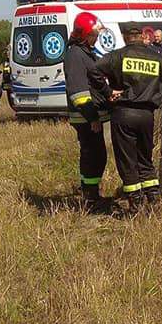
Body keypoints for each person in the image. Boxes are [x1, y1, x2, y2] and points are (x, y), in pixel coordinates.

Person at [91, 22, 162, 212]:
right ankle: (153, 200)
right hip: (146, 116)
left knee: (127, 160)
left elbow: (93, 70)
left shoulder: (117, 56)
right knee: (145, 158)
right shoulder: (155, 57)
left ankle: (135, 204)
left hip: (123, 113)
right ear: (142, 36)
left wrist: (108, 90)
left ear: (125, 37)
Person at [64, 12, 112, 210]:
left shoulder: (84, 52)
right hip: (86, 117)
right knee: (94, 155)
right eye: (94, 35)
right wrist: (92, 116)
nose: (97, 38)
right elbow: (79, 92)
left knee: (95, 154)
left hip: (90, 116)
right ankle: (91, 198)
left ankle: (90, 192)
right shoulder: (76, 55)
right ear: (84, 35)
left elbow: (95, 80)